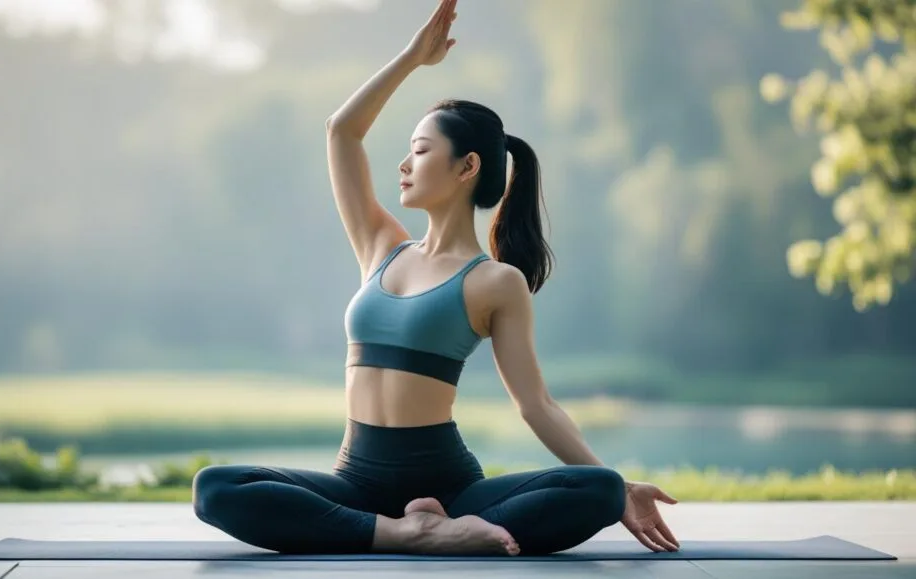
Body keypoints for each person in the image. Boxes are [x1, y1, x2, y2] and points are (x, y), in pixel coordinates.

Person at [192, 0, 680, 557]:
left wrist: (616, 489)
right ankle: (412, 533)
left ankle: (414, 529)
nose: (403, 164)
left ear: (467, 167)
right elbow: (342, 132)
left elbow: (536, 404)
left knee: (597, 491)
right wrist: (411, 59)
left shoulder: (495, 282)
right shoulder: (380, 246)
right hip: (355, 483)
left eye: (420, 151)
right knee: (215, 489)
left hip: (451, 487)